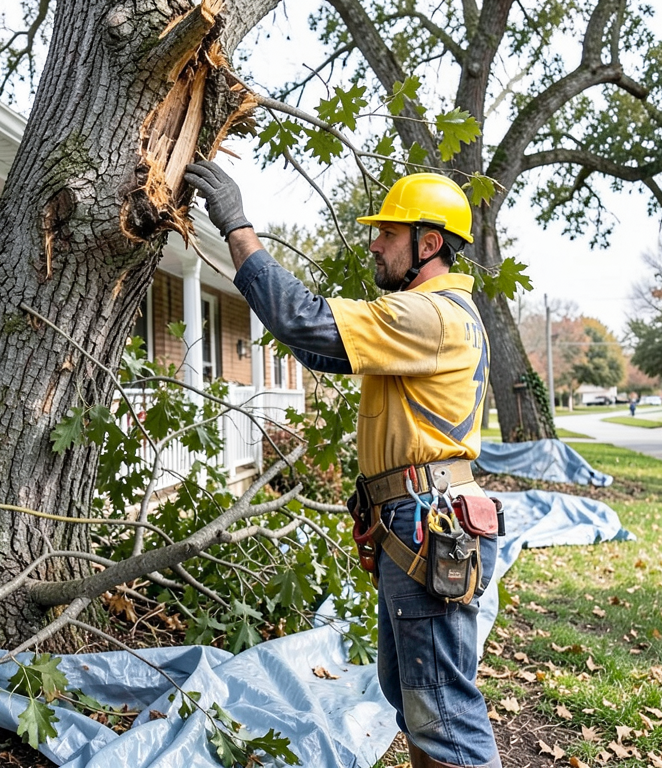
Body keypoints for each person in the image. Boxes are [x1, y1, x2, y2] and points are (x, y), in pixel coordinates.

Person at [184, 160, 501, 768]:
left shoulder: (428, 315)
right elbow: (317, 346)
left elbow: (305, 319)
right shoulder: (425, 318)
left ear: (428, 243)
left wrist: (237, 227)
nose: (375, 243)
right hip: (413, 517)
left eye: (388, 233)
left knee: (440, 709)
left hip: (426, 519)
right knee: (412, 699)